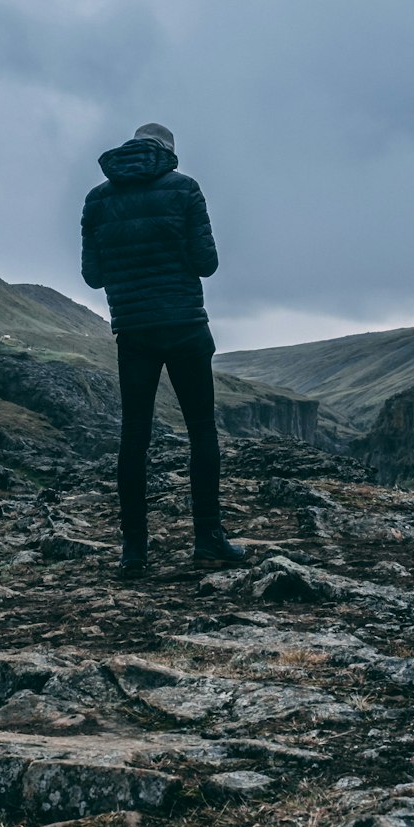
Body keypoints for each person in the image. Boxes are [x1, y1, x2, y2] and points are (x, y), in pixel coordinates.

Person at [81, 122, 246, 575]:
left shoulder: (98, 199)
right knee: (201, 432)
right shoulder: (185, 189)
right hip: (186, 326)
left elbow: (93, 276)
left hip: (134, 331)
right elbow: (206, 264)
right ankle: (208, 539)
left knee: (134, 436)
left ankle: (134, 552)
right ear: (168, 151)